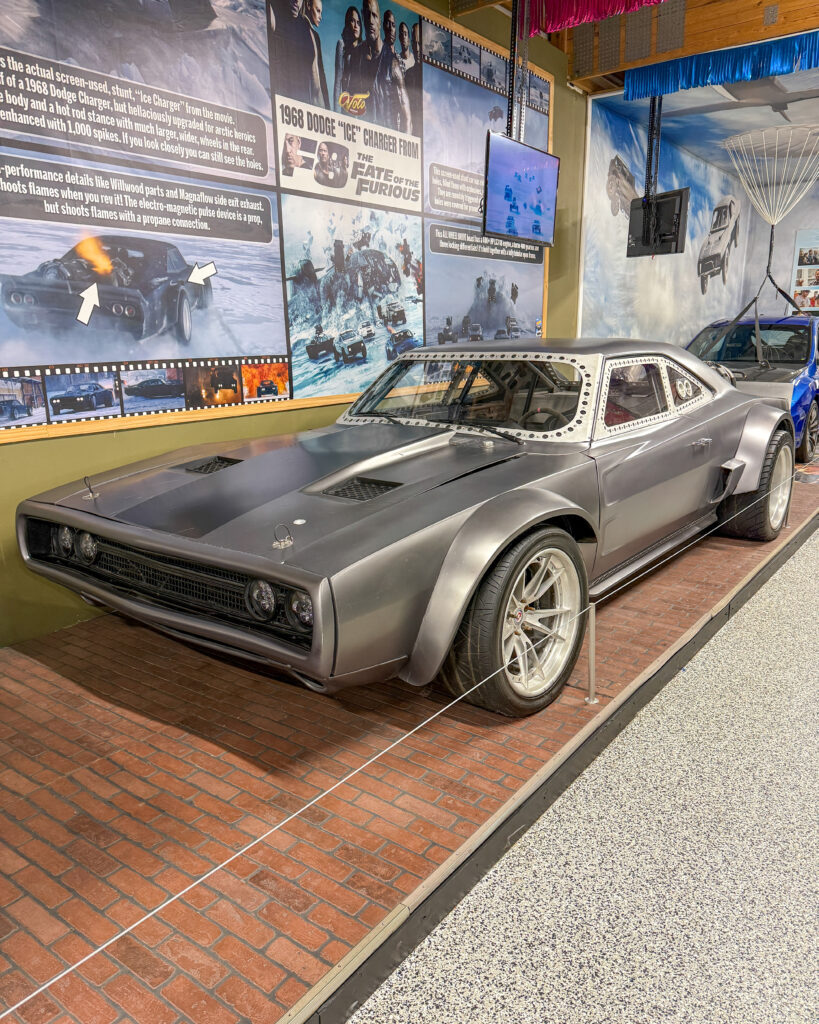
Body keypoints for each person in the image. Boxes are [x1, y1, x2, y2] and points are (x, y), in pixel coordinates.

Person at [348, 0, 412, 134]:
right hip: (363, 141)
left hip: (387, 142)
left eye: (374, 15)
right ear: (362, 16)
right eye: (367, 15)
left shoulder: (393, 63)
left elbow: (407, 119)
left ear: (379, 20)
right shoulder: (356, 57)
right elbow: (349, 105)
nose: (371, 21)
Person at [269, 0, 328, 109]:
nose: (297, 1)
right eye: (318, 11)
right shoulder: (274, 12)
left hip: (302, 111)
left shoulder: (307, 28)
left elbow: (317, 84)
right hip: (279, 109)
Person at [334, 6, 362, 111]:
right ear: (347, 23)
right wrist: (336, 114)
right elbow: (337, 83)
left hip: (362, 107)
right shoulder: (342, 45)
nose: (355, 26)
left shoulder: (364, 49)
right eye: (352, 21)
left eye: (358, 23)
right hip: (347, 108)